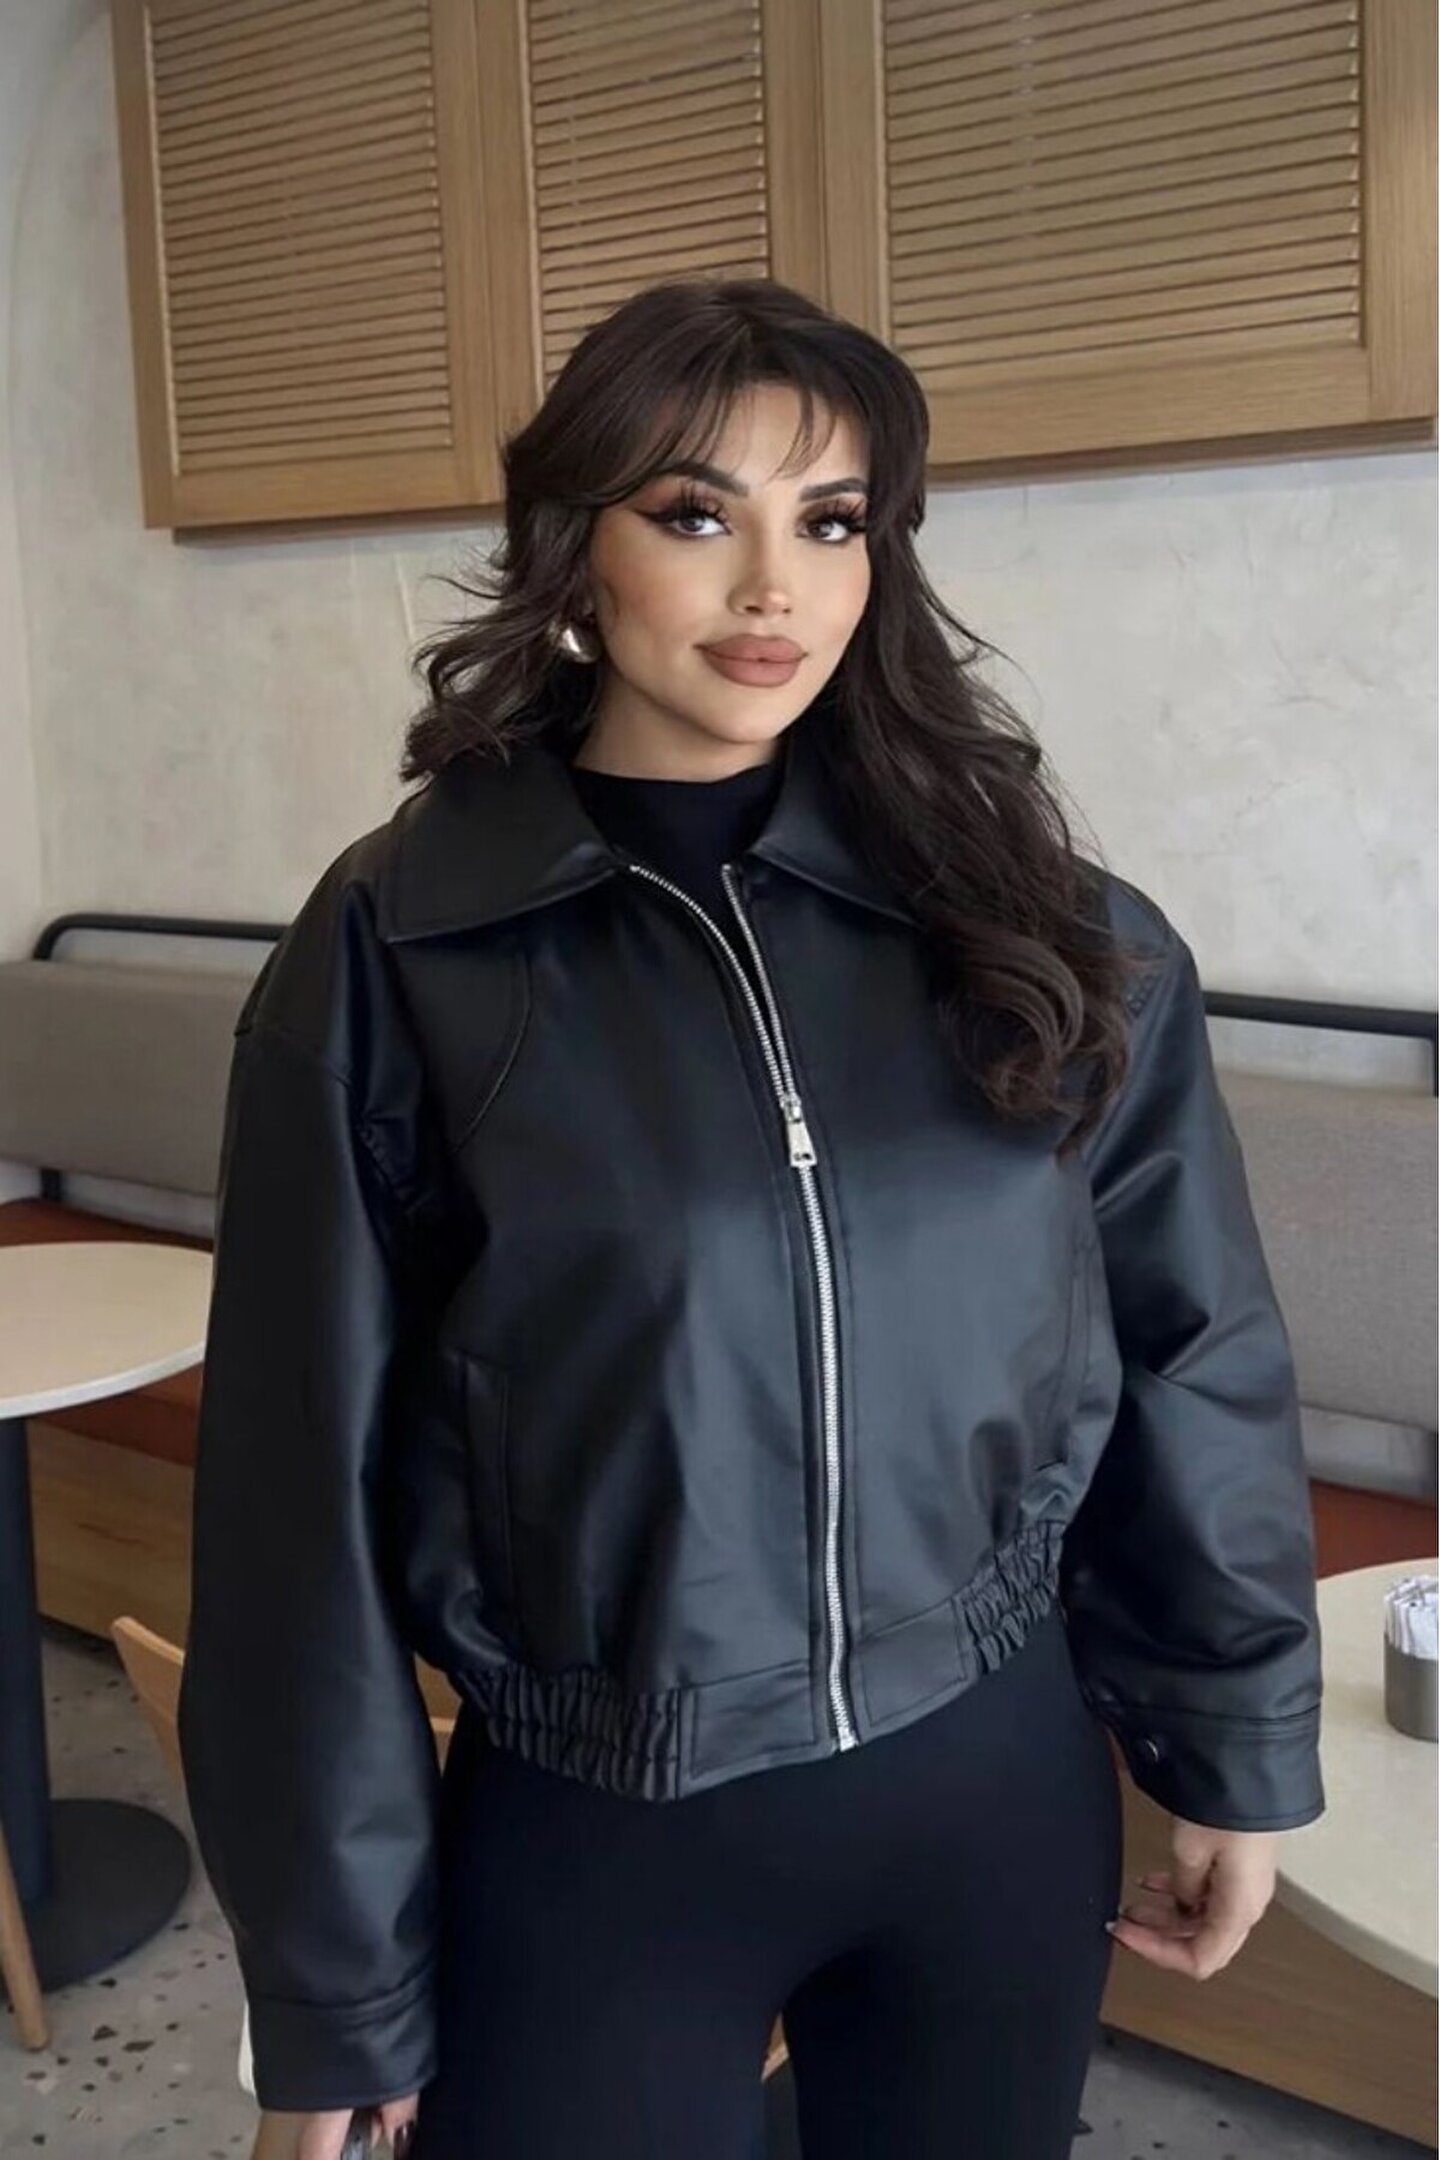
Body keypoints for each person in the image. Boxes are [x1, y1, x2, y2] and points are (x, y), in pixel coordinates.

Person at [176, 277, 1326, 2160]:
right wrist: (335, 1984)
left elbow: (1188, 1340)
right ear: (577, 546)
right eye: (697, 514)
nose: (774, 585)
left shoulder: (1039, 924)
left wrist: (1234, 1735)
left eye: (834, 520)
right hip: (604, 1833)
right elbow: (293, 1499)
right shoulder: (404, 950)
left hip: (994, 1791)